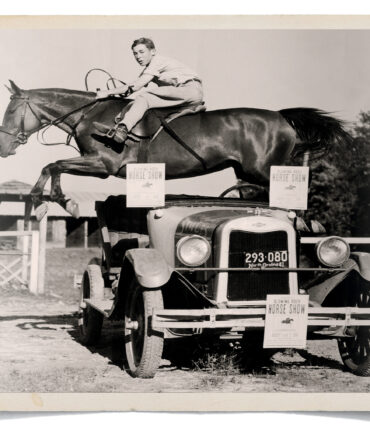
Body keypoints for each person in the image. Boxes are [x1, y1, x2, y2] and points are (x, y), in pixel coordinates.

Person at [94, 37, 204, 144]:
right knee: (135, 103)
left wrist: (107, 92)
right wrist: (116, 93)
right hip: (189, 93)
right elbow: (132, 88)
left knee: (144, 98)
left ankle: (123, 129)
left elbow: (136, 86)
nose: (138, 56)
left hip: (188, 89)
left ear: (153, 51)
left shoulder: (157, 61)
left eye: (141, 52)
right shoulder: (150, 69)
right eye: (135, 53)